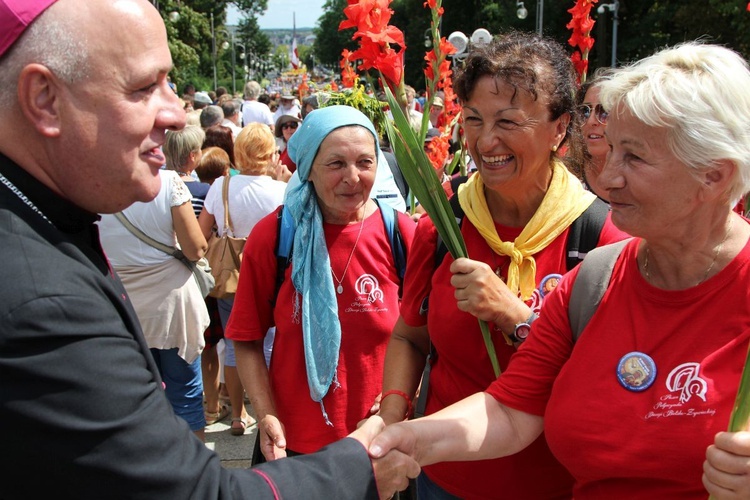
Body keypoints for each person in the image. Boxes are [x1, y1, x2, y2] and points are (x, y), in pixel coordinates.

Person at [0, 0, 418, 497]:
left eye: (365, 162)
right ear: (44, 99)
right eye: (143, 87)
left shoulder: (47, 225)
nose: (178, 113)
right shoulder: (42, 303)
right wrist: (337, 455)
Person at [370, 41, 750, 499]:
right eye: (611, 151)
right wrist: (406, 437)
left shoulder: (601, 238)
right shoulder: (596, 277)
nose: (608, 178)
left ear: (714, 174)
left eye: (635, 157)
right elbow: (509, 409)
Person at [376, 32, 628, 500]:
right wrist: (391, 413)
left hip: (555, 485)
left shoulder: (601, 238)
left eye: (508, 122)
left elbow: (616, 378)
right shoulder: (444, 225)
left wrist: (518, 319)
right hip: (442, 477)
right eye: (473, 119)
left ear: (559, 128)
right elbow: (410, 335)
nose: (485, 140)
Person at [226, 106, 416, 463]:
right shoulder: (276, 236)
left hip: (379, 438)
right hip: (293, 443)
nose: (353, 177)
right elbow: (246, 338)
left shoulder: (400, 234)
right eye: (335, 164)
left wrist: (401, 396)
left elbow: (426, 335)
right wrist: (265, 413)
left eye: (365, 162)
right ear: (308, 168)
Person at [98, 165, 210, 440]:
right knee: (185, 393)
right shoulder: (169, 181)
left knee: (138, 398)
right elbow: (195, 248)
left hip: (120, 304)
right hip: (172, 306)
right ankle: (194, 475)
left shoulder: (89, 182)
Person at [199, 122, 288, 436]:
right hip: (274, 276)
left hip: (231, 276)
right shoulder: (281, 190)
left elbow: (200, 232)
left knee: (237, 344)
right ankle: (272, 412)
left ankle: (238, 415)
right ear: (269, 153)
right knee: (272, 344)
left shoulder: (221, 186)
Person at [573, 72, 610, 201]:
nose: (590, 121)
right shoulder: (565, 181)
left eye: (604, 111)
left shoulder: (644, 181)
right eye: (585, 111)